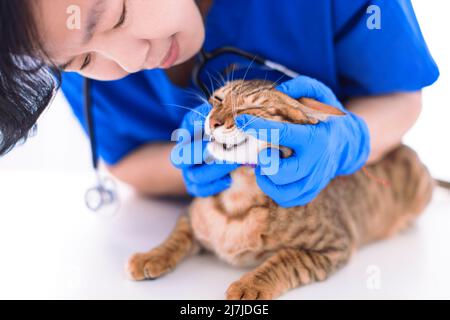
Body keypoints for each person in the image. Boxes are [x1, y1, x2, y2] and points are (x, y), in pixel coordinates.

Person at [0, 0, 439, 207]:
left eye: (116, 16)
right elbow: (124, 159)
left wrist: (348, 139)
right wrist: (213, 160)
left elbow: (400, 95)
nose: (131, 61)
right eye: (82, 59)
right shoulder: (87, 67)